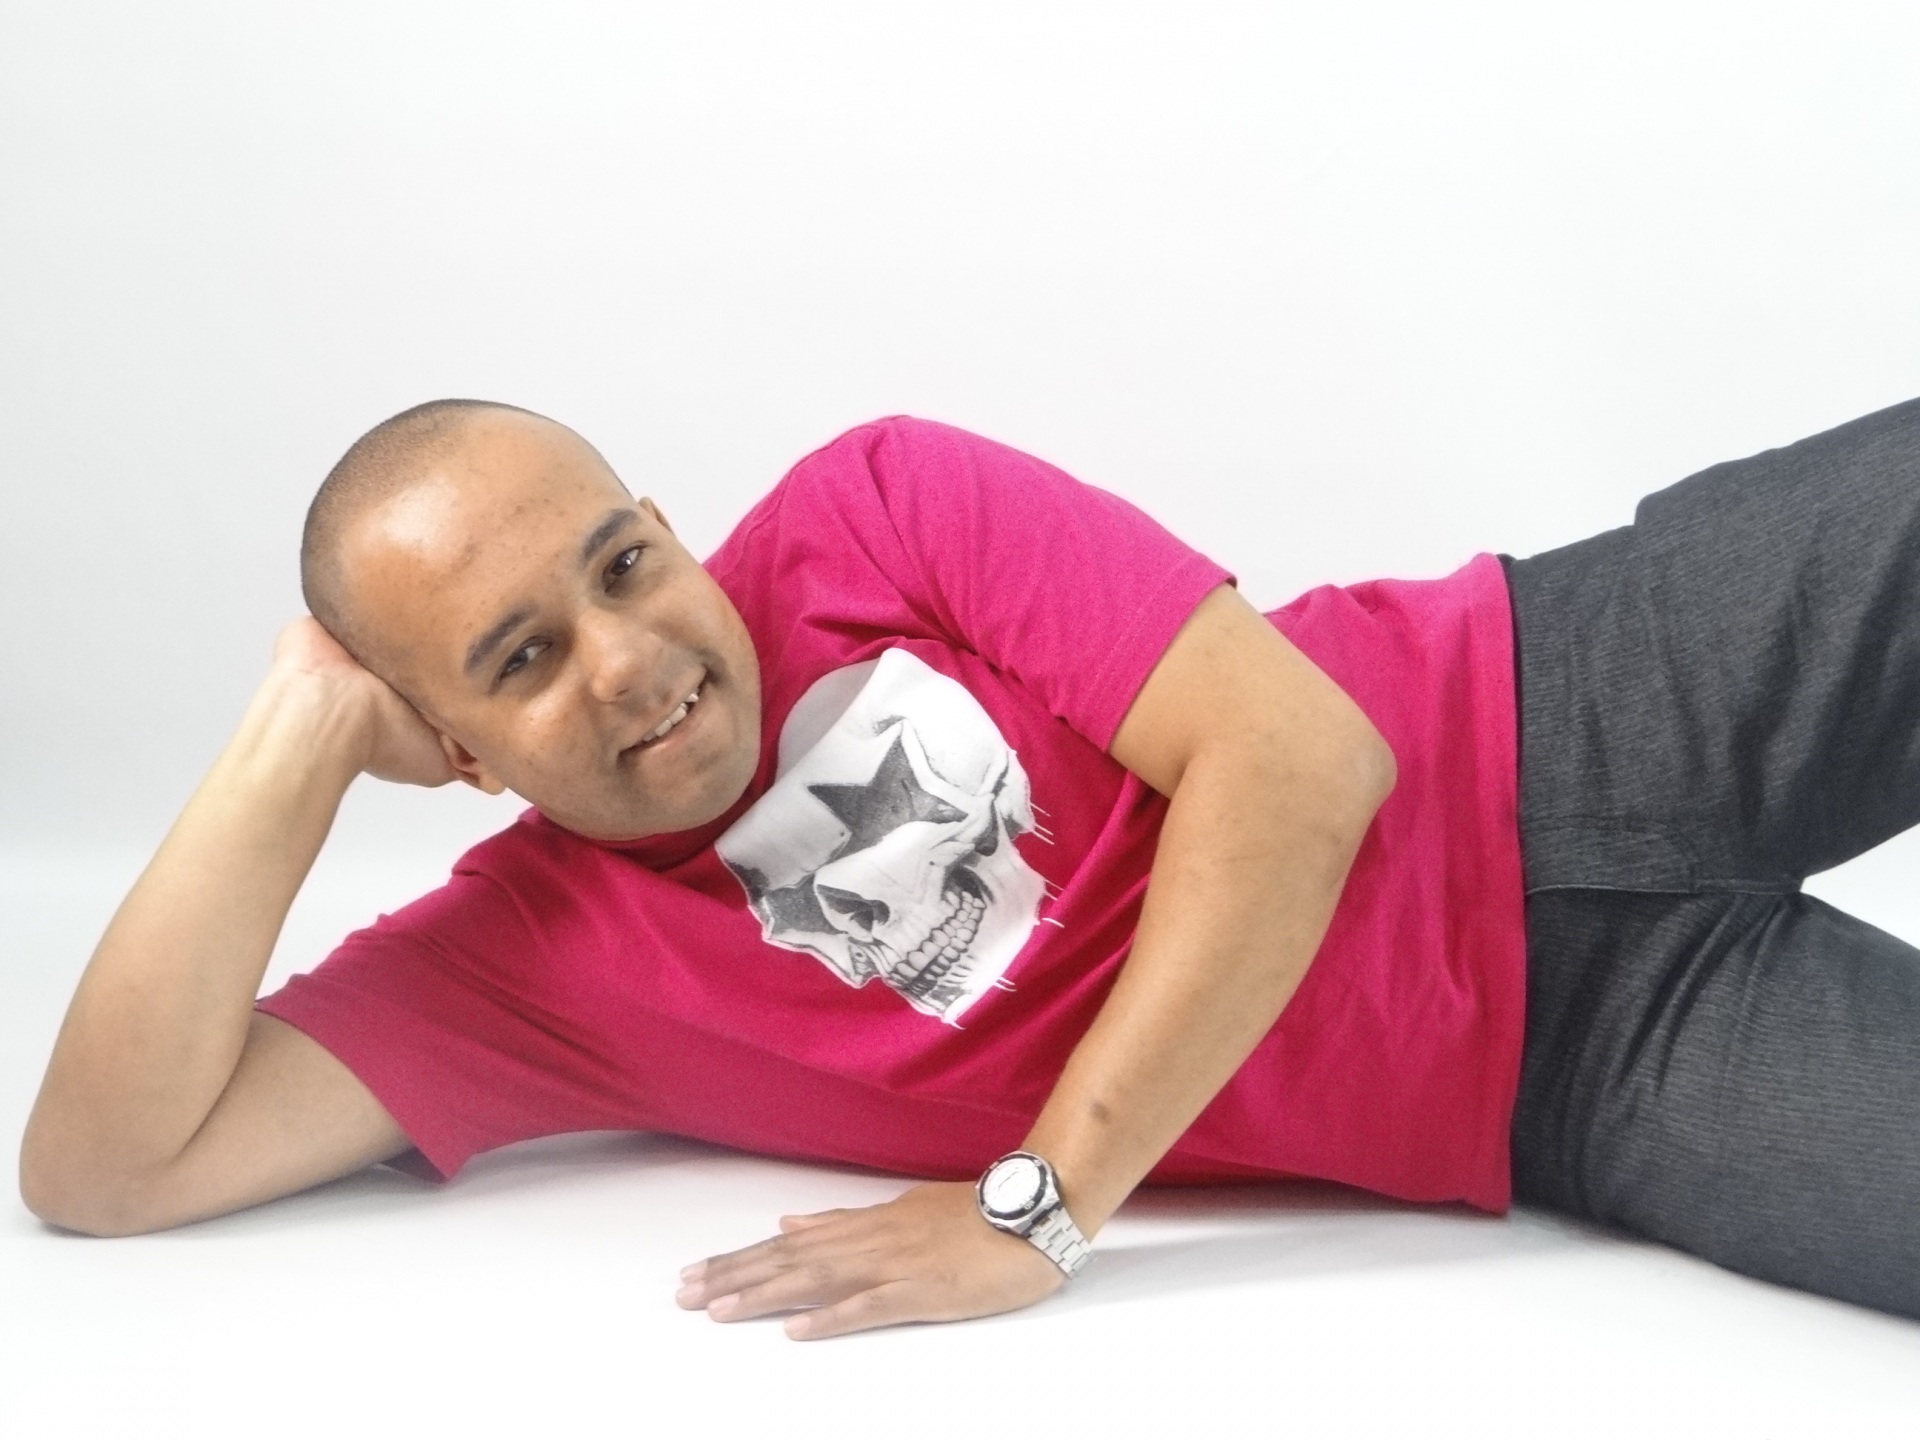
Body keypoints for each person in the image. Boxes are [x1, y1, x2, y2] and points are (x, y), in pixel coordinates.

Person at [19, 399, 1920, 1338]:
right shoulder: (527, 967)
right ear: (447, 749)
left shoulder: (878, 507)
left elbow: (1302, 760)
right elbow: (107, 1168)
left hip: (1593, 688)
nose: (631, 661)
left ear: (665, 528)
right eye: (518, 662)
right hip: (1582, 1072)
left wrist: (1041, 1207)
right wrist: (290, 745)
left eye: (621, 566)